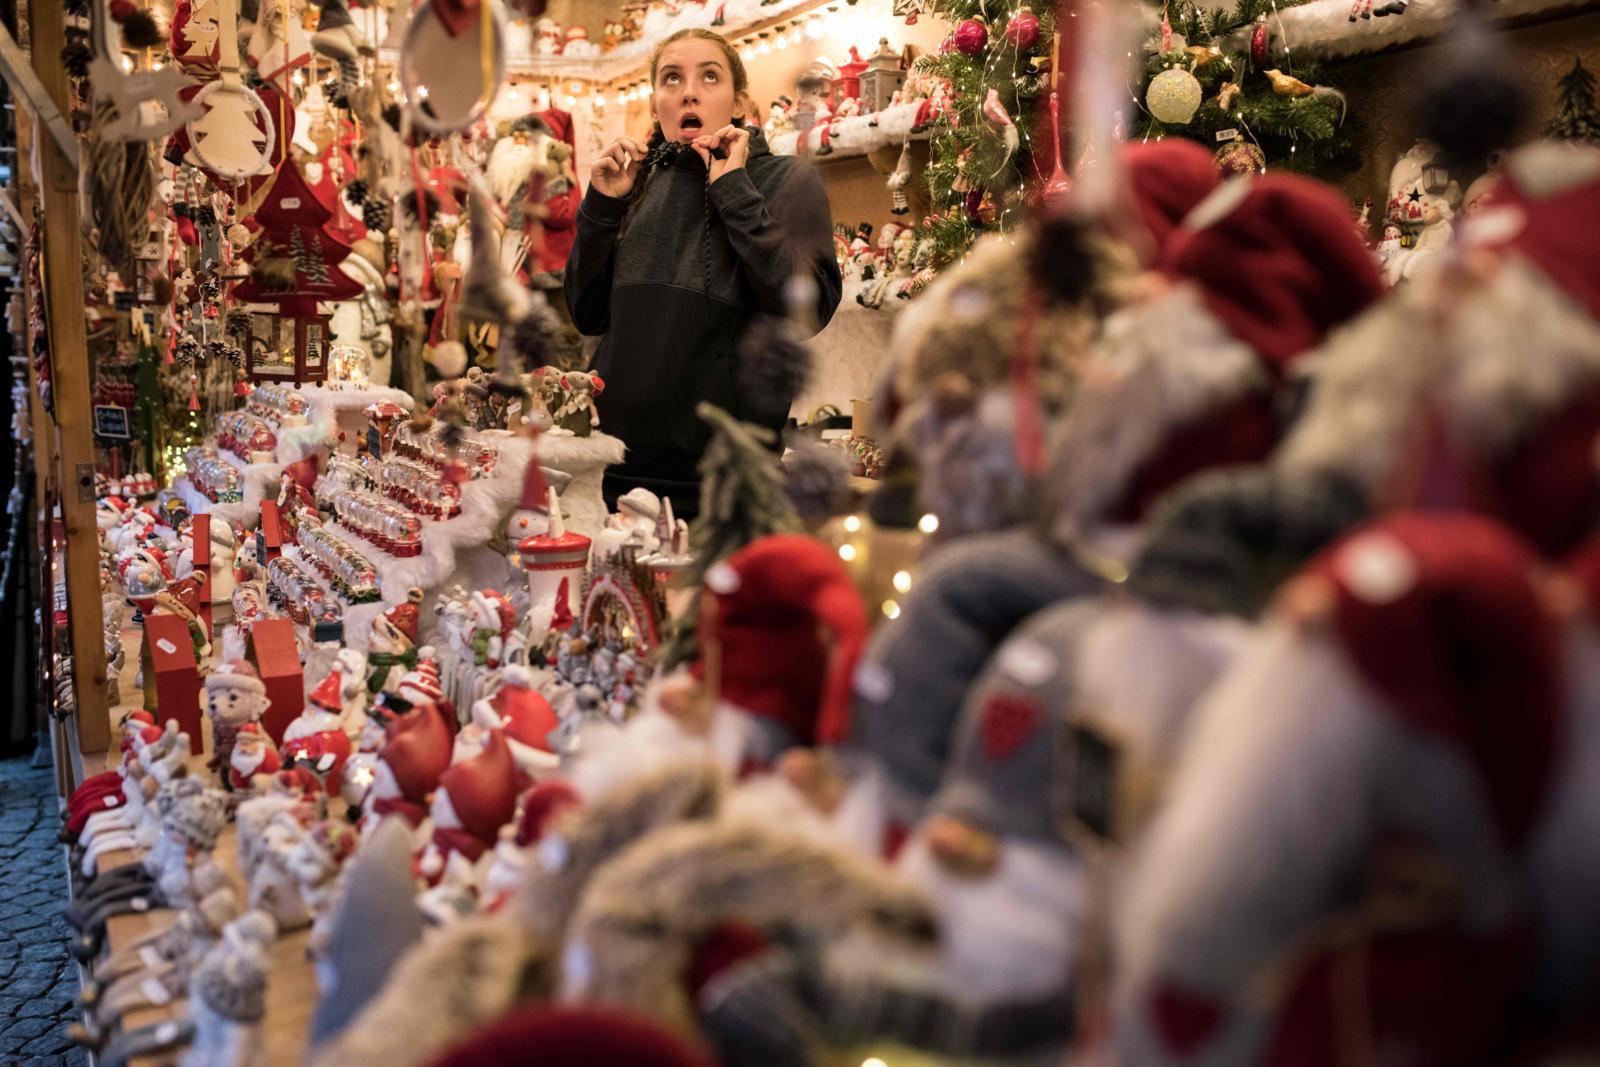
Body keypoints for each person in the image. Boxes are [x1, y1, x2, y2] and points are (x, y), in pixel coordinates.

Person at [565, 28, 842, 519]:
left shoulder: (784, 180)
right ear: (656, 105)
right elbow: (586, 313)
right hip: (611, 476)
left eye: (708, 77)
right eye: (672, 78)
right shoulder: (637, 183)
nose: (688, 91)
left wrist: (733, 187)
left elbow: (807, 308)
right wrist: (602, 207)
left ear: (738, 102)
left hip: (723, 491)